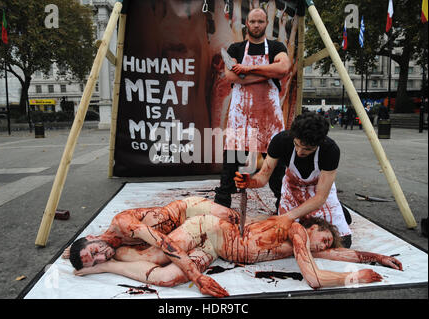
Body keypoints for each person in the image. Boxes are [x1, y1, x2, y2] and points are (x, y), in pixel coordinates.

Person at [72, 198, 402, 296]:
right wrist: (352, 278)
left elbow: (332, 253)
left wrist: (378, 257)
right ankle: (105, 258)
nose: (325, 245)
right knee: (159, 254)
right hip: (208, 228)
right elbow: (314, 279)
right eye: (325, 238)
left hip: (218, 247)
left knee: (167, 279)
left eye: (327, 244)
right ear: (313, 227)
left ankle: (104, 266)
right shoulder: (298, 232)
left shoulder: (306, 243)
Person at [63, 196, 241, 297]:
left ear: (92, 237)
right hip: (188, 233)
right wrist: (96, 264)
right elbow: (160, 273)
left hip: (186, 211)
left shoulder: (122, 224)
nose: (101, 256)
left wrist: (196, 277)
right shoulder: (117, 253)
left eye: (94, 251)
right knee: (232, 238)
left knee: (235, 220)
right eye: (96, 261)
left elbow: (163, 243)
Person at [234, 112, 353, 248]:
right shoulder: (280, 141)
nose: (299, 152)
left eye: (307, 149)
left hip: (317, 193)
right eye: (296, 144)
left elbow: (320, 197)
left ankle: (340, 211)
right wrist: (251, 182)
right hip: (293, 189)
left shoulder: (330, 150)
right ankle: (336, 213)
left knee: (343, 243)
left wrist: (289, 217)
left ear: (319, 143)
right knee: (284, 238)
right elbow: (263, 177)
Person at [214, 7, 291, 208]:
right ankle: (223, 199)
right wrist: (268, 73)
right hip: (241, 112)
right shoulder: (235, 49)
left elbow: (283, 68)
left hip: (269, 114)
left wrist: (247, 70)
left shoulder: (276, 46)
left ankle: (282, 201)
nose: (256, 25)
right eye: (253, 21)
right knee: (232, 155)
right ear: (247, 24)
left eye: (260, 21)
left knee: (274, 158)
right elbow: (231, 76)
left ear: (266, 24)